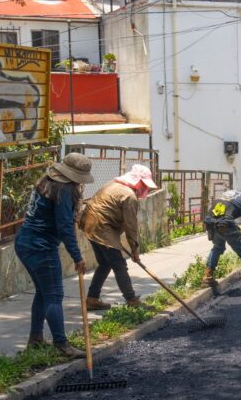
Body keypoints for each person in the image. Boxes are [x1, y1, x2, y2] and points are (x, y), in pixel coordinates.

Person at [15, 153, 93, 358]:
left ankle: (36, 338)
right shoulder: (64, 190)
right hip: (40, 247)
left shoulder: (47, 181)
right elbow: (65, 227)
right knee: (54, 295)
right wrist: (77, 256)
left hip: (24, 241)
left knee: (43, 292)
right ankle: (62, 344)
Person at [79, 164, 157, 310]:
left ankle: (92, 298)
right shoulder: (129, 196)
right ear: (138, 181)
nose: (145, 188)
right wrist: (135, 250)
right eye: (144, 184)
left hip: (89, 224)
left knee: (105, 263)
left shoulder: (113, 184)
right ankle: (132, 300)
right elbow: (131, 226)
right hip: (102, 227)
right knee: (119, 265)